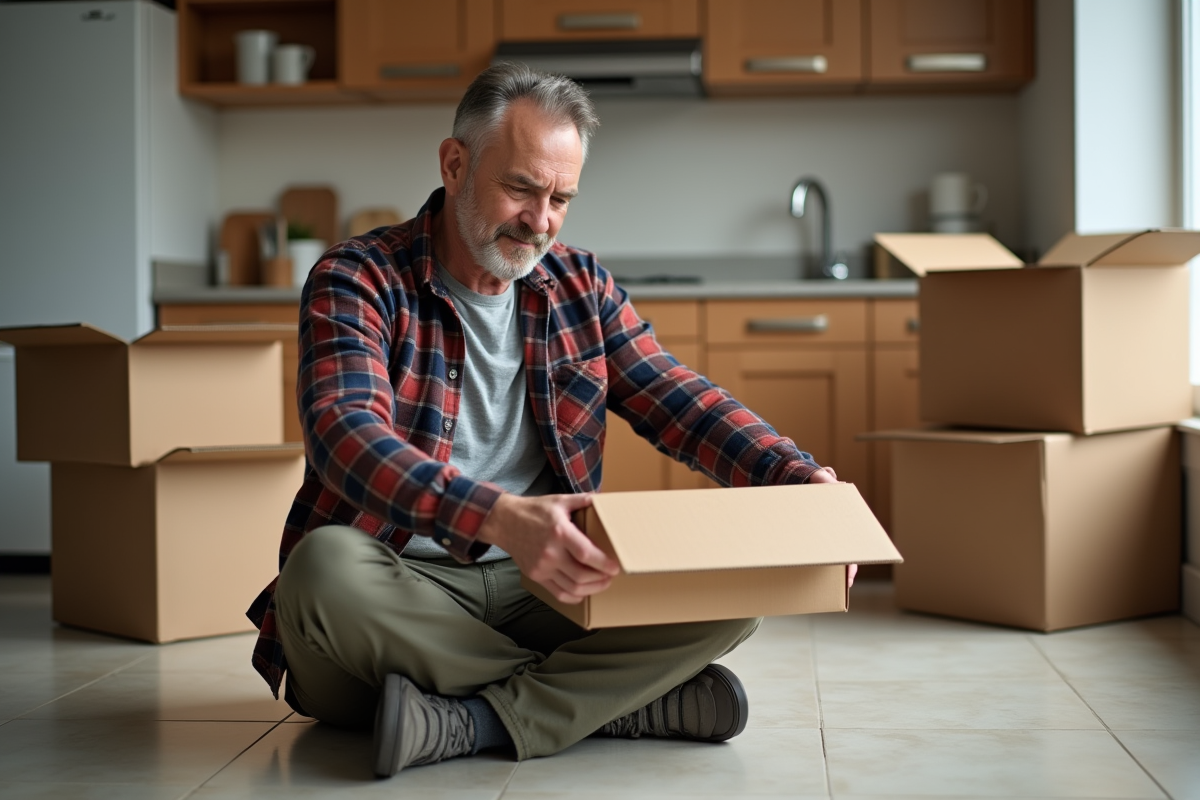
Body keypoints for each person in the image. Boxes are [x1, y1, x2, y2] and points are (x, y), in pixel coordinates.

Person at [246, 62, 851, 778]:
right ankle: (615, 702)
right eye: (521, 188)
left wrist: (796, 476)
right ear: (454, 163)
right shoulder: (358, 277)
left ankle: (471, 721)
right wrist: (499, 519)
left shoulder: (580, 286)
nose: (541, 221)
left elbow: (679, 400)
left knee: (738, 584)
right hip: (397, 587)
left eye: (562, 197)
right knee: (321, 570)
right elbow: (347, 437)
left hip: (546, 585)